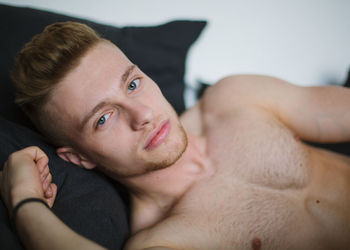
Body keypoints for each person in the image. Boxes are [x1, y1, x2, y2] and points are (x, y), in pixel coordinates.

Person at [1, 21, 350, 250]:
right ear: (79, 158)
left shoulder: (235, 99)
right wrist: (24, 201)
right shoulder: (171, 237)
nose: (144, 115)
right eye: (104, 118)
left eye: (133, 84)